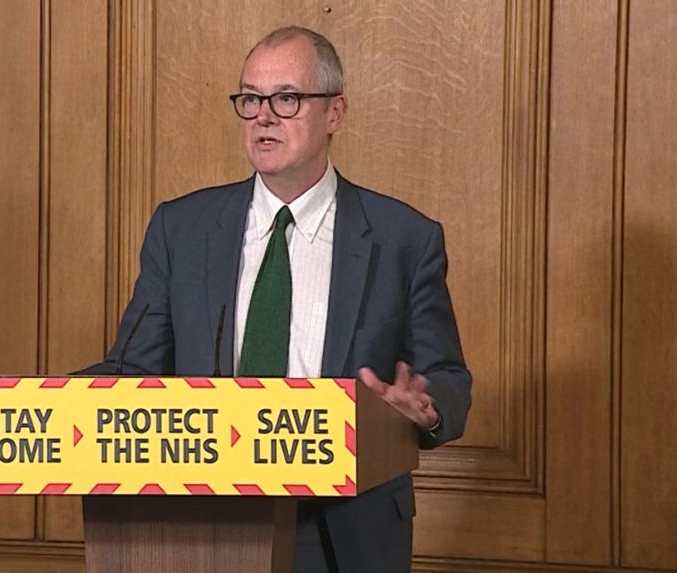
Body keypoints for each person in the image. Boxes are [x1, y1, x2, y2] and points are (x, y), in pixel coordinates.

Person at [81, 26, 471, 573]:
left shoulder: (403, 238)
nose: (263, 116)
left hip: (346, 532)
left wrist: (426, 410)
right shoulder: (182, 230)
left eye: (286, 98)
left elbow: (448, 379)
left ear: (335, 113)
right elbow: (134, 368)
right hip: (203, 528)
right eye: (250, 99)